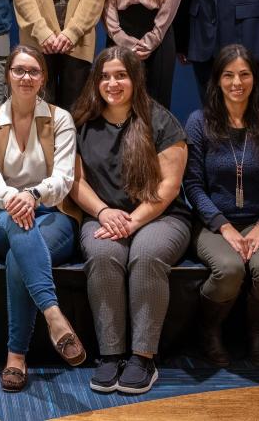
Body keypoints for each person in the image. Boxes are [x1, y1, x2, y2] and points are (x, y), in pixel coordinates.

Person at [69, 46, 191, 395]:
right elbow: (76, 182)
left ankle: (142, 358)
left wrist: (133, 222)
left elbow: (168, 187)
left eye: (121, 75)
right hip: (102, 214)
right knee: (104, 254)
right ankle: (110, 354)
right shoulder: (82, 122)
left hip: (160, 216)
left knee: (146, 254)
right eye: (105, 76)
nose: (112, 82)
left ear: (135, 78)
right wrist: (105, 213)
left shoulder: (162, 121)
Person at [0, 45, 86, 392]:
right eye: (19, 70)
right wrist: (14, 199)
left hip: (52, 216)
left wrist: (33, 195)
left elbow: (64, 178)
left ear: (43, 78)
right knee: (17, 225)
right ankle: (54, 317)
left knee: (17, 255)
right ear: (7, 75)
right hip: (0, 218)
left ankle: (16, 357)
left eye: (33, 71)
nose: (26, 77)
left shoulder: (61, 118)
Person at [182, 44, 259, 367]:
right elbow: (192, 186)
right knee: (229, 269)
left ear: (255, 80)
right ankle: (210, 329)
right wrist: (223, 225)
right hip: (213, 222)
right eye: (228, 75)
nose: (237, 82)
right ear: (216, 80)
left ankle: (257, 331)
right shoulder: (198, 122)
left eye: (244, 74)